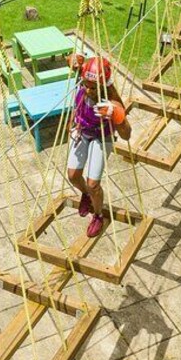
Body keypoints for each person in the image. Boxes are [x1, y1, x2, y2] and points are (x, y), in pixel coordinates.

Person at [65, 55, 131, 238]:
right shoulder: (85, 77)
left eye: (93, 88)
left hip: (102, 137)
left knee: (93, 184)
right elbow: (71, 60)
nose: (87, 89)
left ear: (103, 85)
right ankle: (85, 195)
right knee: (73, 175)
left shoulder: (112, 99)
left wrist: (116, 116)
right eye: (85, 85)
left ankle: (98, 215)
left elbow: (127, 135)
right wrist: (73, 59)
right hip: (81, 131)